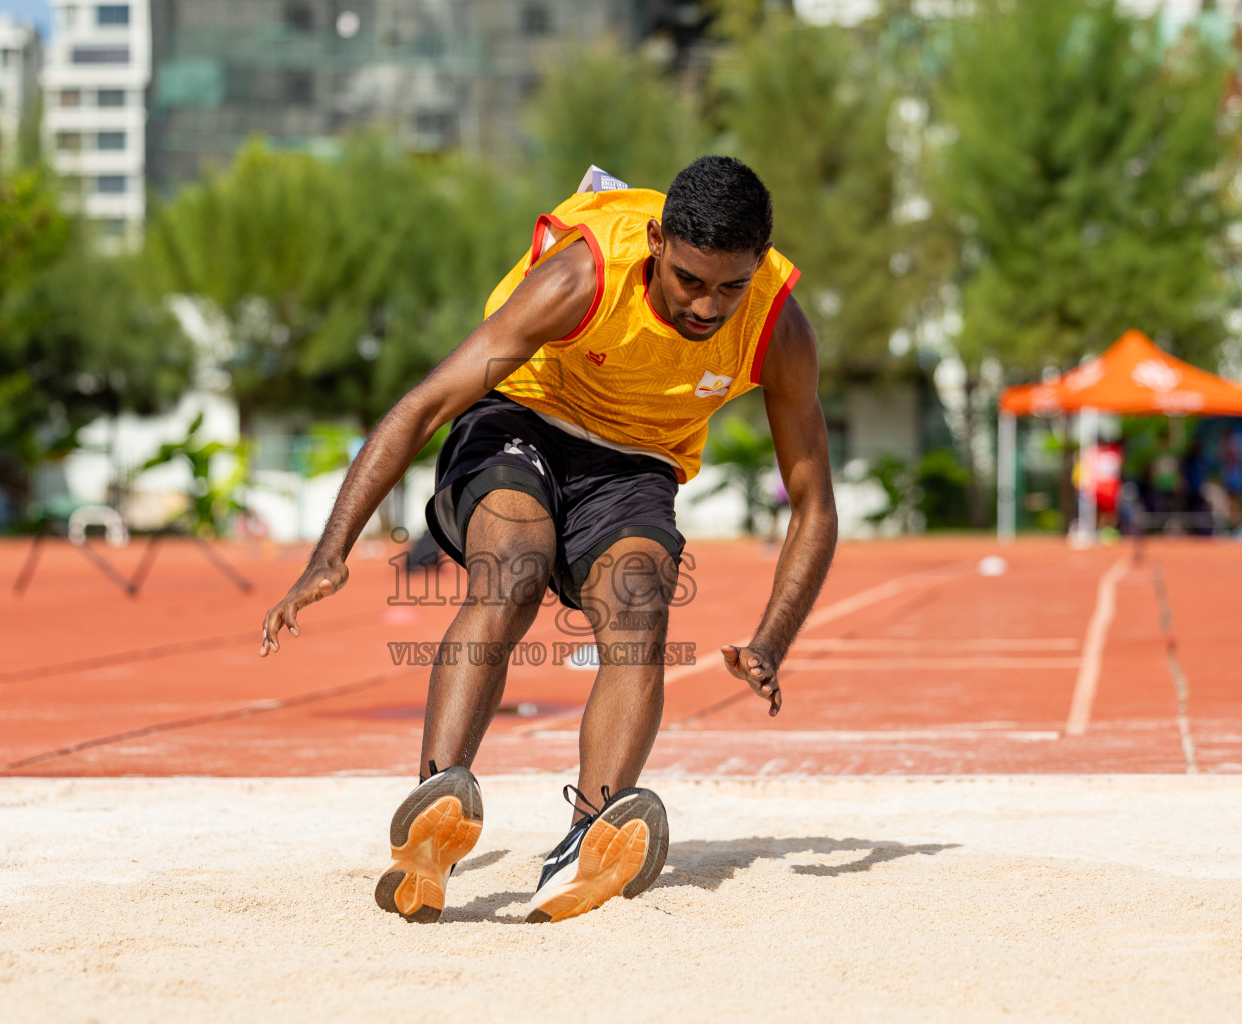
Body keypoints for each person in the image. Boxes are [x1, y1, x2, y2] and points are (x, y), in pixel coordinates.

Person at [259, 157, 838, 924]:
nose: (707, 306)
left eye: (730, 286)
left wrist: (773, 640)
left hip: (637, 461)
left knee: (640, 612)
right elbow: (426, 403)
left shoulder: (777, 325)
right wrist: (328, 553)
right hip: (519, 418)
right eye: (691, 280)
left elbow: (813, 502)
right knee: (514, 567)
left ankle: (585, 838)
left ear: (757, 267)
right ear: (658, 242)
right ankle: (437, 809)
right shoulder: (581, 279)